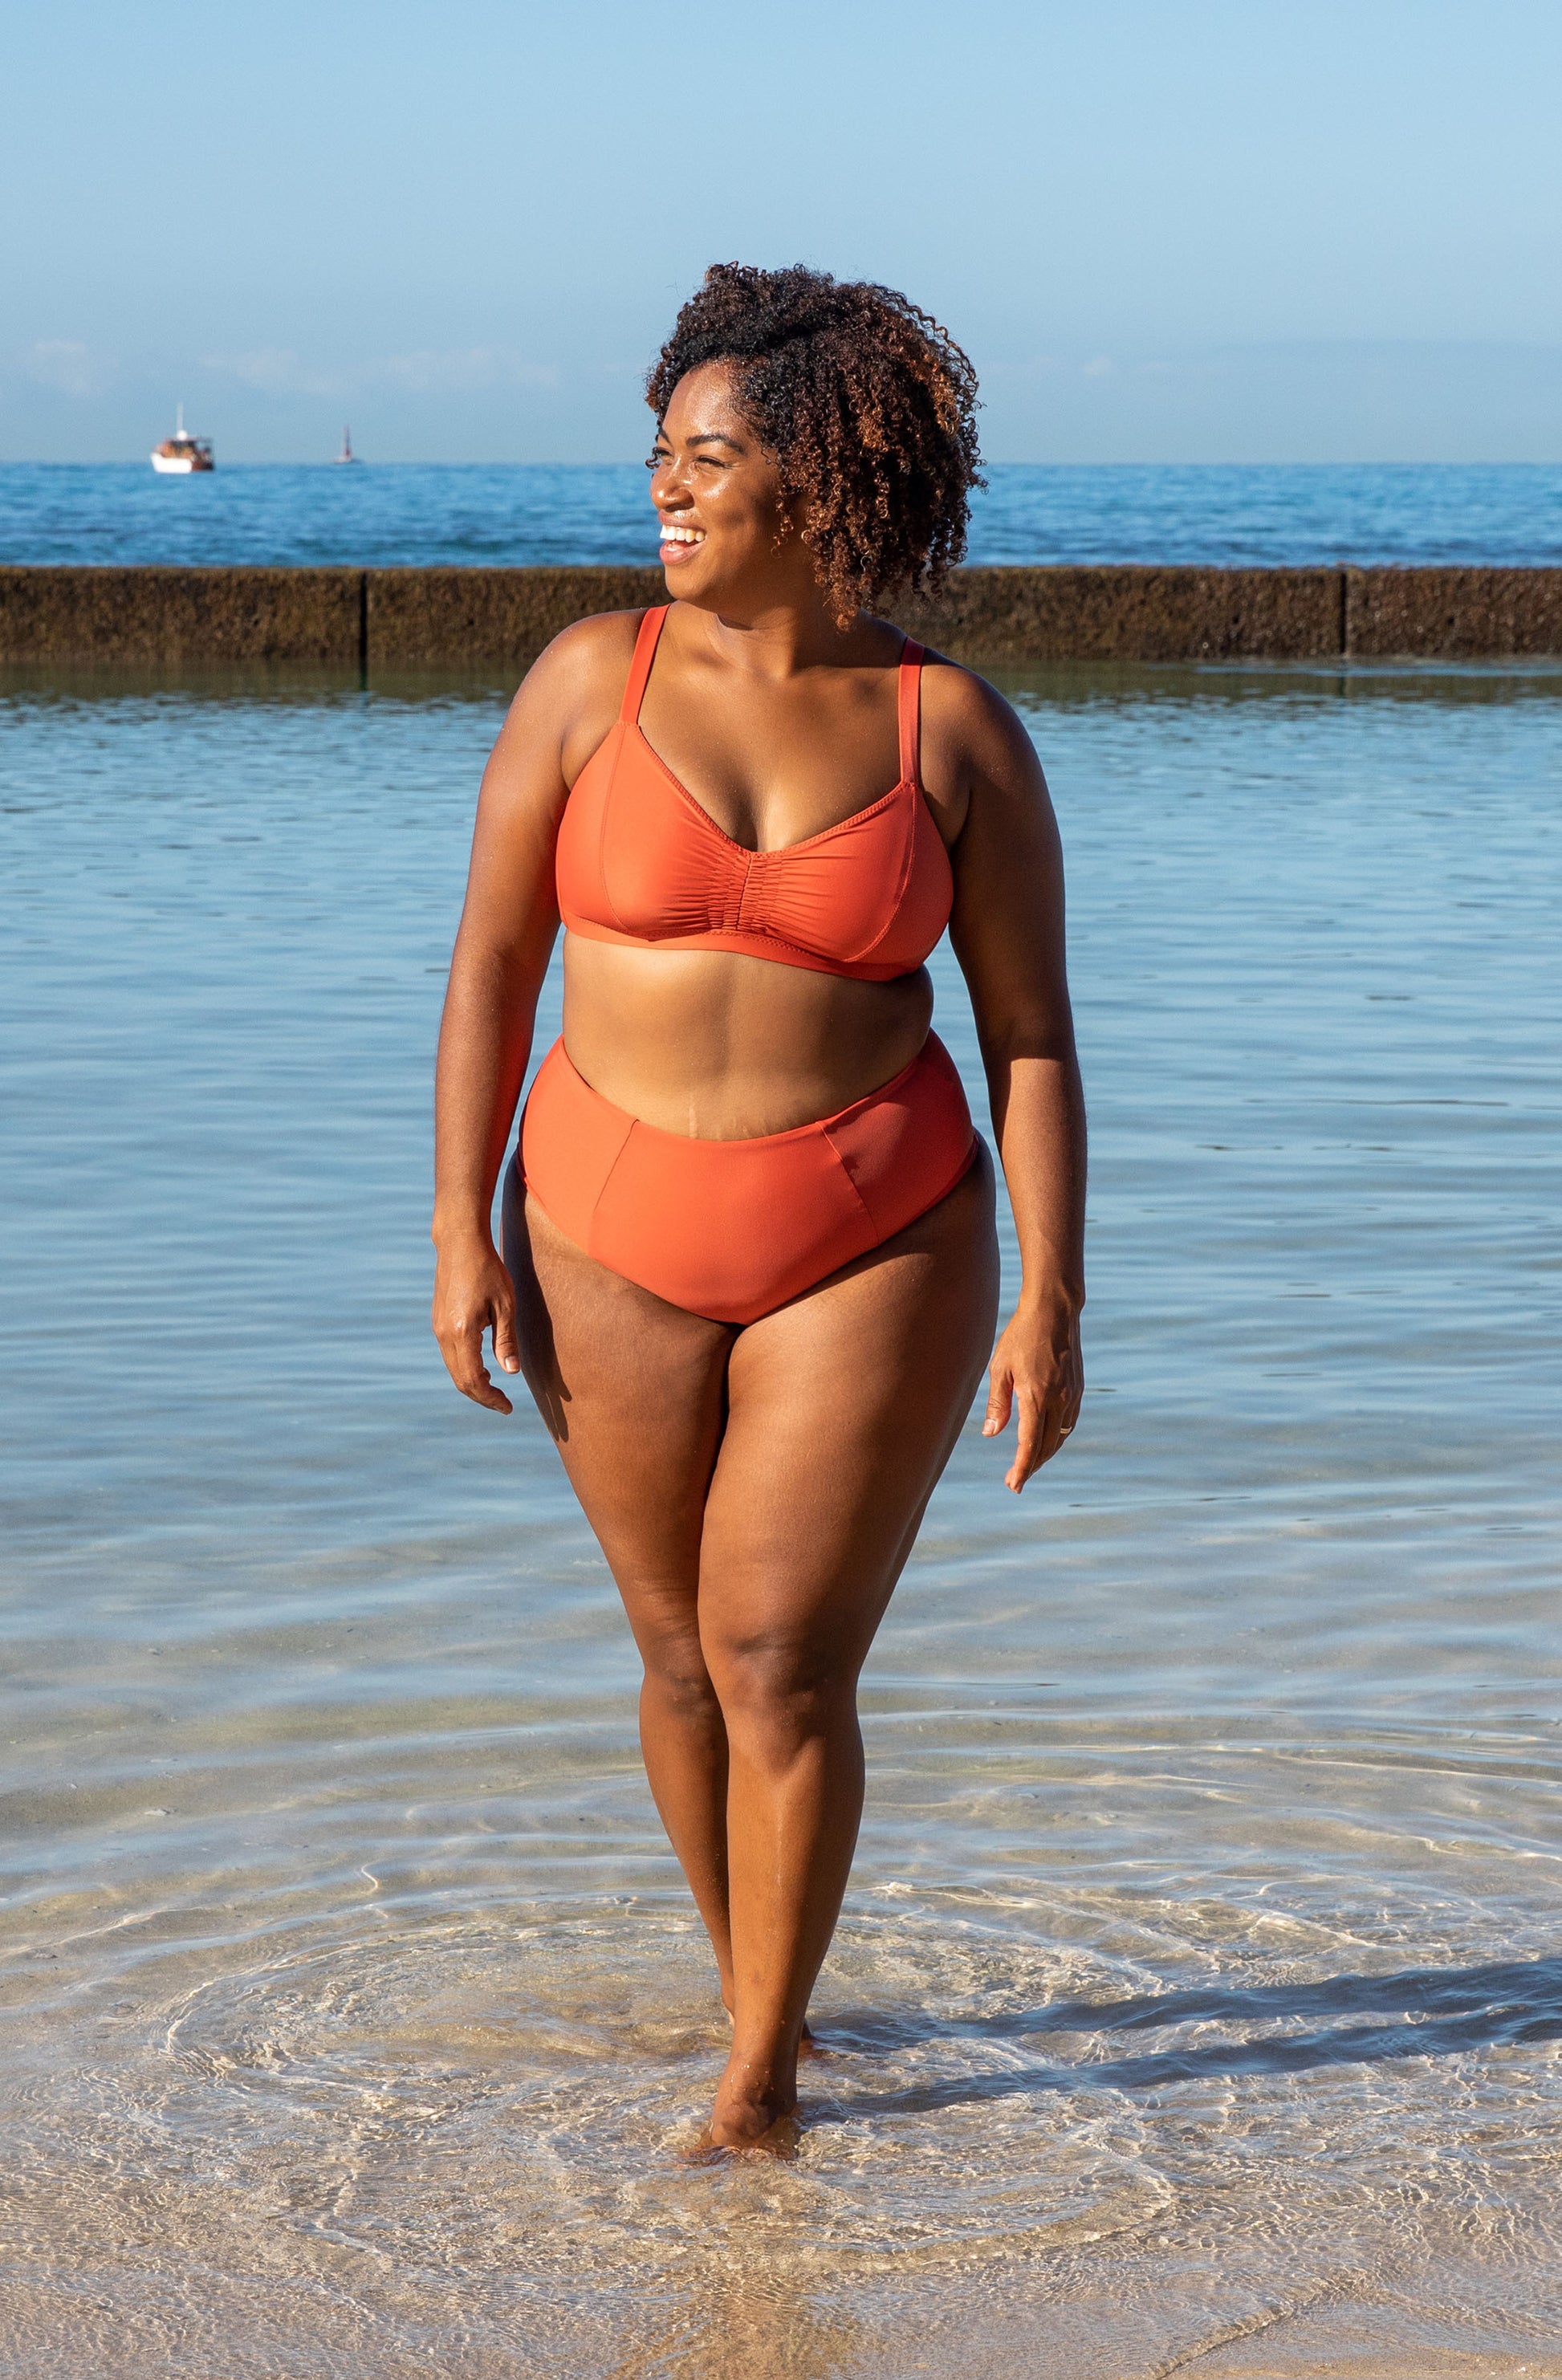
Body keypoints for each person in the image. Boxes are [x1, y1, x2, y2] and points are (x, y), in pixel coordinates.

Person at [431, 263, 1085, 2154]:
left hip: (871, 1234)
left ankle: (757, 2082)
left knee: (779, 1655)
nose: (666, 487)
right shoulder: (587, 681)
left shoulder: (951, 732)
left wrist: (1050, 1294)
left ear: (818, 482)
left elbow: (1029, 1034)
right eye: (660, 453)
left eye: (706, 459)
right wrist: (459, 1222)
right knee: (675, 1657)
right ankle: (761, 1996)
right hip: (598, 1220)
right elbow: (491, 967)